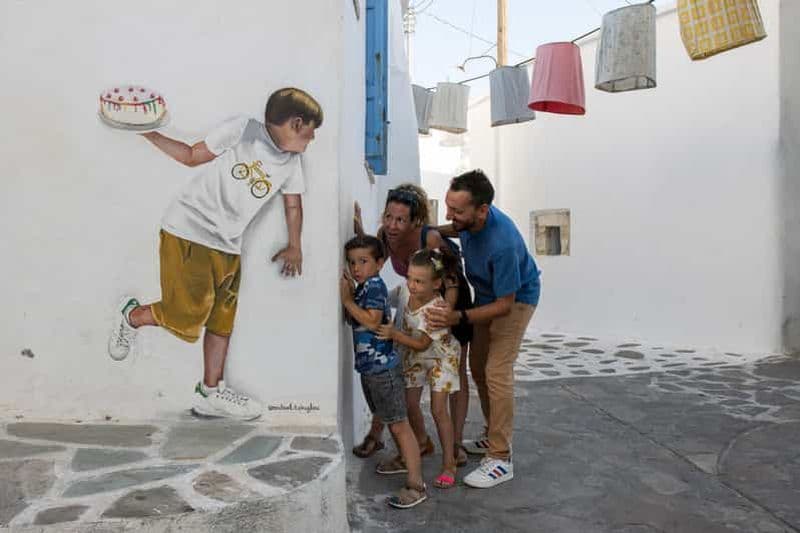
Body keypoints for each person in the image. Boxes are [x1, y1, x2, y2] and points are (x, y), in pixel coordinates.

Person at [106, 87, 322, 420]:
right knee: (183, 315)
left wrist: (295, 245)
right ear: (295, 123)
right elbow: (191, 156)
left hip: (228, 246)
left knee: (222, 321)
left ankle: (210, 391)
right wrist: (147, 131)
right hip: (189, 230)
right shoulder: (243, 129)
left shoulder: (292, 162)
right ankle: (132, 316)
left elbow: (293, 204)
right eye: (309, 133)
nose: (310, 140)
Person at [426, 169, 541, 489]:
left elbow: (505, 304)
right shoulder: (468, 221)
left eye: (457, 211)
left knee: (496, 370)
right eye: (449, 207)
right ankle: (493, 435)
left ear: (482, 210)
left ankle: (501, 458)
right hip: (486, 298)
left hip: (515, 301)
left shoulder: (502, 243)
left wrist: (458, 317)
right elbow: (453, 228)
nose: (451, 215)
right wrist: (432, 230)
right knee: (477, 368)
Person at [352, 185, 473, 467]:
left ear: (415, 221)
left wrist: (448, 313)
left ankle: (455, 445)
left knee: (455, 376)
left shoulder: (428, 237)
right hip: (418, 301)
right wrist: (358, 231)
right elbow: (373, 259)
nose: (393, 225)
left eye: (400, 220)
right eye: (388, 217)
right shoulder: (385, 235)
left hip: (449, 299)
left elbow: (452, 278)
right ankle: (408, 439)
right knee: (406, 374)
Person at [340, 235, 427, 509]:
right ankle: (396, 458)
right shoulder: (365, 285)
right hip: (371, 368)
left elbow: (372, 319)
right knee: (389, 418)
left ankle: (416, 484)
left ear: (379, 264)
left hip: (383, 370)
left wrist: (346, 300)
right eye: (352, 262)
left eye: (363, 262)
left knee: (400, 425)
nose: (356, 268)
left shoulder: (375, 286)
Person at [377, 249, 462, 489]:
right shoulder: (405, 292)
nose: (412, 285)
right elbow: (385, 296)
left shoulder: (436, 309)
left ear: (436, 284)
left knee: (438, 410)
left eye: (419, 281)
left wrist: (394, 333)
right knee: (409, 404)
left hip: (439, 358)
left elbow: (423, 343)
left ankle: (449, 463)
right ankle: (423, 442)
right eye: (410, 278)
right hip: (414, 356)